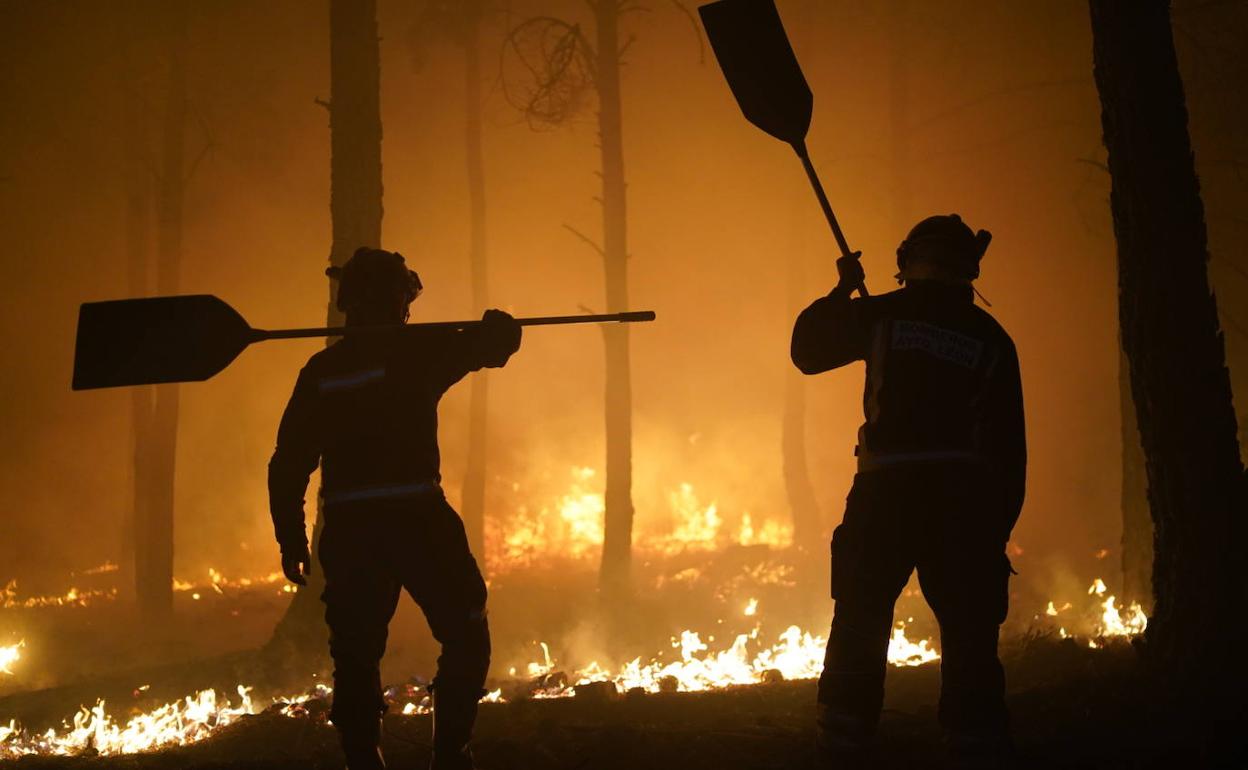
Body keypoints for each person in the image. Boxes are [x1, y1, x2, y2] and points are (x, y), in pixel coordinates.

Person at [268, 247, 521, 770]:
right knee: (466, 631)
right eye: (405, 298)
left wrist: (291, 537)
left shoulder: (322, 371)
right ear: (396, 301)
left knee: (356, 656)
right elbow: (493, 346)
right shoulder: (418, 354)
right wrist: (499, 328)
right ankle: (452, 755)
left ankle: (365, 762)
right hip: (418, 520)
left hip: (351, 529)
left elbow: (289, 462)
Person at [791, 214, 1025, 764]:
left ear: (906, 263)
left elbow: (807, 351)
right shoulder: (991, 339)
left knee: (861, 614)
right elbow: (1009, 445)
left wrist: (841, 291)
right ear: (968, 270)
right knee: (969, 626)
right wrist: (998, 525)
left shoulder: (881, 315)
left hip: (884, 496)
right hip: (961, 502)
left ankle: (845, 733)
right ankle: (975, 738)